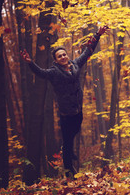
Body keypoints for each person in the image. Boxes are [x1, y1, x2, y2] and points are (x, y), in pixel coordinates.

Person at [20, 26, 108, 178]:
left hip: (78, 110)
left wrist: (98, 34)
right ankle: (70, 171)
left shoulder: (75, 64)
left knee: (73, 134)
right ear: (55, 60)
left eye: (64, 54)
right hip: (66, 113)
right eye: (59, 56)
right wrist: (30, 62)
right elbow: (40, 73)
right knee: (67, 143)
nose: (63, 57)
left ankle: (69, 152)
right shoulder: (54, 72)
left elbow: (88, 51)